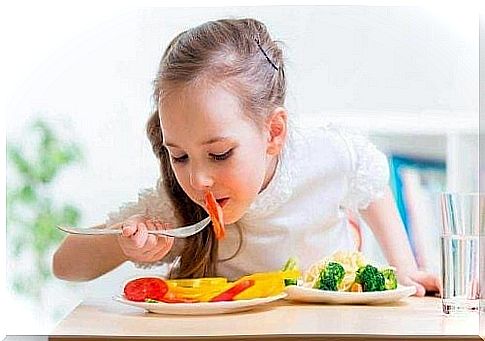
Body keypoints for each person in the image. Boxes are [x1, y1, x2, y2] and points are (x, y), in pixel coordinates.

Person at [52, 18, 440, 296]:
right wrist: (125, 244)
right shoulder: (176, 207)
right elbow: (65, 267)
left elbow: (368, 175)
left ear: (273, 133)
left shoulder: (323, 155)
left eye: (219, 154)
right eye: (180, 156)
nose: (198, 179)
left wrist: (404, 267)